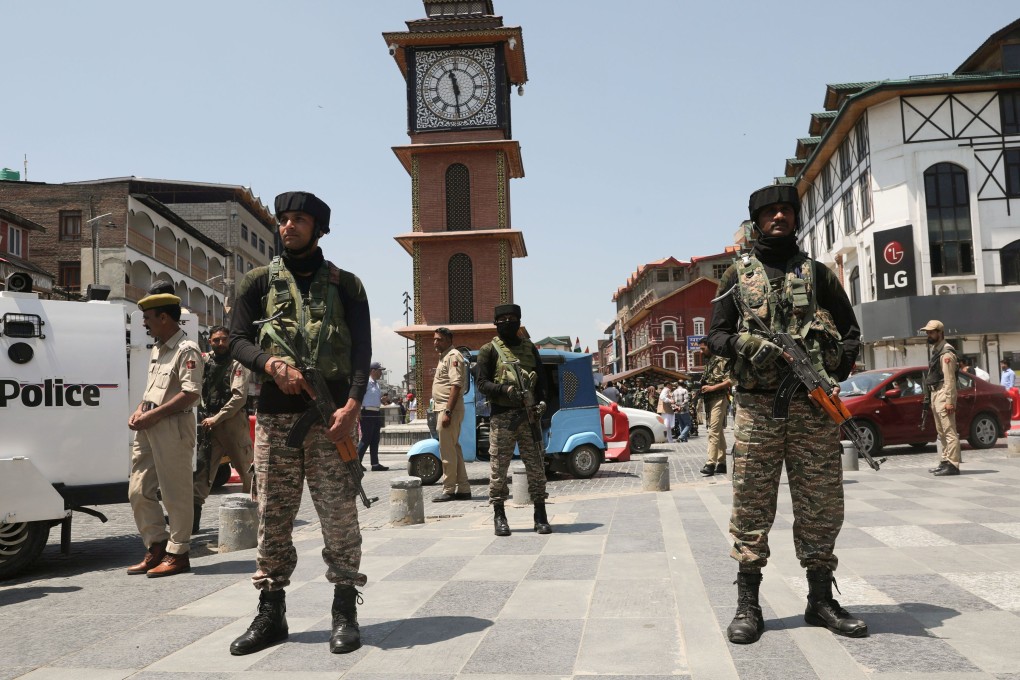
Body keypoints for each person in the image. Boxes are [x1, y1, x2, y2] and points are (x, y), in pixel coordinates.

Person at [707, 184, 867, 645]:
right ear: (756, 220)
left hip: (813, 411)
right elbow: (715, 335)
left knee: (821, 505)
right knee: (752, 504)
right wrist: (742, 342)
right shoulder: (736, 276)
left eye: (786, 211)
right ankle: (748, 604)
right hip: (759, 409)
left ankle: (820, 600)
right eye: (770, 212)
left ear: (796, 218)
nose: (779, 218)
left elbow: (852, 331)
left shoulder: (817, 275)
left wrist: (832, 366)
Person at [228, 190, 372, 656]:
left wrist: (352, 406)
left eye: (299, 220)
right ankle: (272, 611)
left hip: (330, 420)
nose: (288, 227)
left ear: (319, 228)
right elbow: (235, 340)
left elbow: (360, 352)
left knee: (339, 518)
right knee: (272, 516)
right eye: (283, 219)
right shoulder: (256, 282)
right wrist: (270, 365)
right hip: (274, 419)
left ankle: (344, 609)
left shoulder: (346, 285)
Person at [126, 292, 203, 578]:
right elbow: (152, 391)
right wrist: (139, 410)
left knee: (175, 494)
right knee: (137, 490)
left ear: (164, 317)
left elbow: (190, 394)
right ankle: (157, 547)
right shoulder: (158, 349)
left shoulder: (187, 349)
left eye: (148, 318)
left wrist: (152, 415)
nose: (145, 324)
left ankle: (178, 553)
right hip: (149, 426)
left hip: (173, 427)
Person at [476, 303, 551, 536]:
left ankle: (540, 515)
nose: (508, 322)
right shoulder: (488, 350)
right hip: (502, 418)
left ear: (519, 321)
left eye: (512, 318)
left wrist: (541, 405)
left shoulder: (530, 348)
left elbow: (543, 381)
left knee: (536, 467)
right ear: (496, 323)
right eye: (503, 319)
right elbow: (481, 384)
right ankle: (499, 515)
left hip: (529, 417)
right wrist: (504, 391)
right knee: (499, 469)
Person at [192, 325, 254, 533]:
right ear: (209, 341)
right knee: (202, 472)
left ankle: (249, 519)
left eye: (224, 339)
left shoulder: (237, 363)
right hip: (209, 424)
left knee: (247, 472)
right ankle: (192, 523)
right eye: (216, 340)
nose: (220, 343)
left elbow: (239, 397)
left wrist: (216, 418)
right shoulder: (204, 360)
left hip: (231, 424)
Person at [431, 327, 471, 502]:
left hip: (448, 409)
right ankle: (463, 488)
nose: (435, 342)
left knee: (447, 451)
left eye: (439, 339)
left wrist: (447, 411)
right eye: (434, 339)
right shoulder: (444, 357)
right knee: (454, 450)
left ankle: (448, 490)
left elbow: (456, 385)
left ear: (448, 340)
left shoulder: (453, 356)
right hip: (444, 408)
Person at [921, 320, 961, 477]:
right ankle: (945, 461)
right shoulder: (936, 351)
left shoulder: (946, 352)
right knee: (941, 431)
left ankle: (953, 464)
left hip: (943, 392)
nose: (929, 335)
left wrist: (950, 401)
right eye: (928, 332)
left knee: (949, 430)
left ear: (940, 333)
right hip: (935, 393)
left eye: (932, 332)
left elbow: (950, 379)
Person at [698, 339, 732, 476]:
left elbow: (731, 380)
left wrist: (712, 387)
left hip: (719, 398)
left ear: (710, 346)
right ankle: (722, 462)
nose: (701, 352)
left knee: (713, 431)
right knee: (718, 431)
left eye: (703, 349)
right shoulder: (709, 362)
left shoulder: (722, 360)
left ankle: (710, 463)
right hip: (709, 400)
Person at [356, 362, 388, 472]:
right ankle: (356, 463)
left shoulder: (377, 384)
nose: (381, 373)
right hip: (367, 413)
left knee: (375, 439)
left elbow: (373, 398)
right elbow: (358, 396)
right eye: (379, 370)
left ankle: (375, 464)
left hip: (376, 413)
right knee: (366, 438)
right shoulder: (366, 382)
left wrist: (381, 400)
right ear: (373, 371)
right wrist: (357, 411)